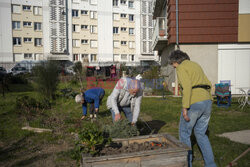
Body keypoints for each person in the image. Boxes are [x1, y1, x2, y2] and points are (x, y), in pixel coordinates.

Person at [169, 50, 216, 167]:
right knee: (201, 134)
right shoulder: (196, 65)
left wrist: (185, 107)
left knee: (184, 133)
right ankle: (211, 164)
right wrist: (209, 99)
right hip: (207, 101)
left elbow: (187, 87)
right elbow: (208, 83)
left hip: (194, 102)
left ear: (176, 61)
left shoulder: (181, 68)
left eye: (172, 64)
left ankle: (187, 164)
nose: (173, 67)